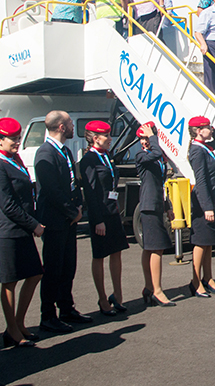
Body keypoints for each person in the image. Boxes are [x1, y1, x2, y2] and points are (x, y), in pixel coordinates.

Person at [0, 118, 44, 348]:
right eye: (13, 139)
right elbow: (7, 204)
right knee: (10, 281)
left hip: (22, 229)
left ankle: (18, 322)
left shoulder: (14, 159)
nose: (17, 142)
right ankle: (11, 329)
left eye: (18, 138)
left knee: (35, 274)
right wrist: (34, 225)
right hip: (9, 231)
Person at [34, 110, 91, 333]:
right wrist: (71, 212)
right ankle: (47, 315)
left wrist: (78, 207)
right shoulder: (45, 154)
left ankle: (66, 308)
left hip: (69, 220)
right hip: (56, 221)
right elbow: (52, 190)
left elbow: (71, 182)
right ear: (61, 127)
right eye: (69, 123)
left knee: (68, 267)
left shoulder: (65, 151)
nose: (72, 127)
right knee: (53, 270)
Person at [79, 121, 129, 316]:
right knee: (99, 256)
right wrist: (97, 219)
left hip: (112, 210)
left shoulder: (106, 156)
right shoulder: (89, 160)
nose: (110, 139)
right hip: (99, 214)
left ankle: (117, 295)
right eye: (105, 136)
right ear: (94, 138)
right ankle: (102, 298)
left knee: (117, 252)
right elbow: (90, 193)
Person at [134, 122, 175, 307]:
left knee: (151, 248)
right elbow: (157, 152)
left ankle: (149, 287)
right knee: (156, 248)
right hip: (148, 206)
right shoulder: (142, 155)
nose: (145, 141)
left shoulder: (157, 158)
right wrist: (153, 138)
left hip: (157, 203)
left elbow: (160, 183)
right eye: (142, 138)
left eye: (147, 137)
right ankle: (157, 290)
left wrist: (168, 206)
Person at [187, 116, 215, 298]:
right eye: (207, 128)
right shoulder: (197, 150)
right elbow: (201, 181)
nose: (210, 130)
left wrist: (212, 127)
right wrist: (206, 207)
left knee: (209, 241)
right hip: (204, 201)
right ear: (197, 131)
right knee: (201, 242)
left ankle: (208, 278)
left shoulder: (206, 147)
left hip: (211, 198)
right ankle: (196, 282)